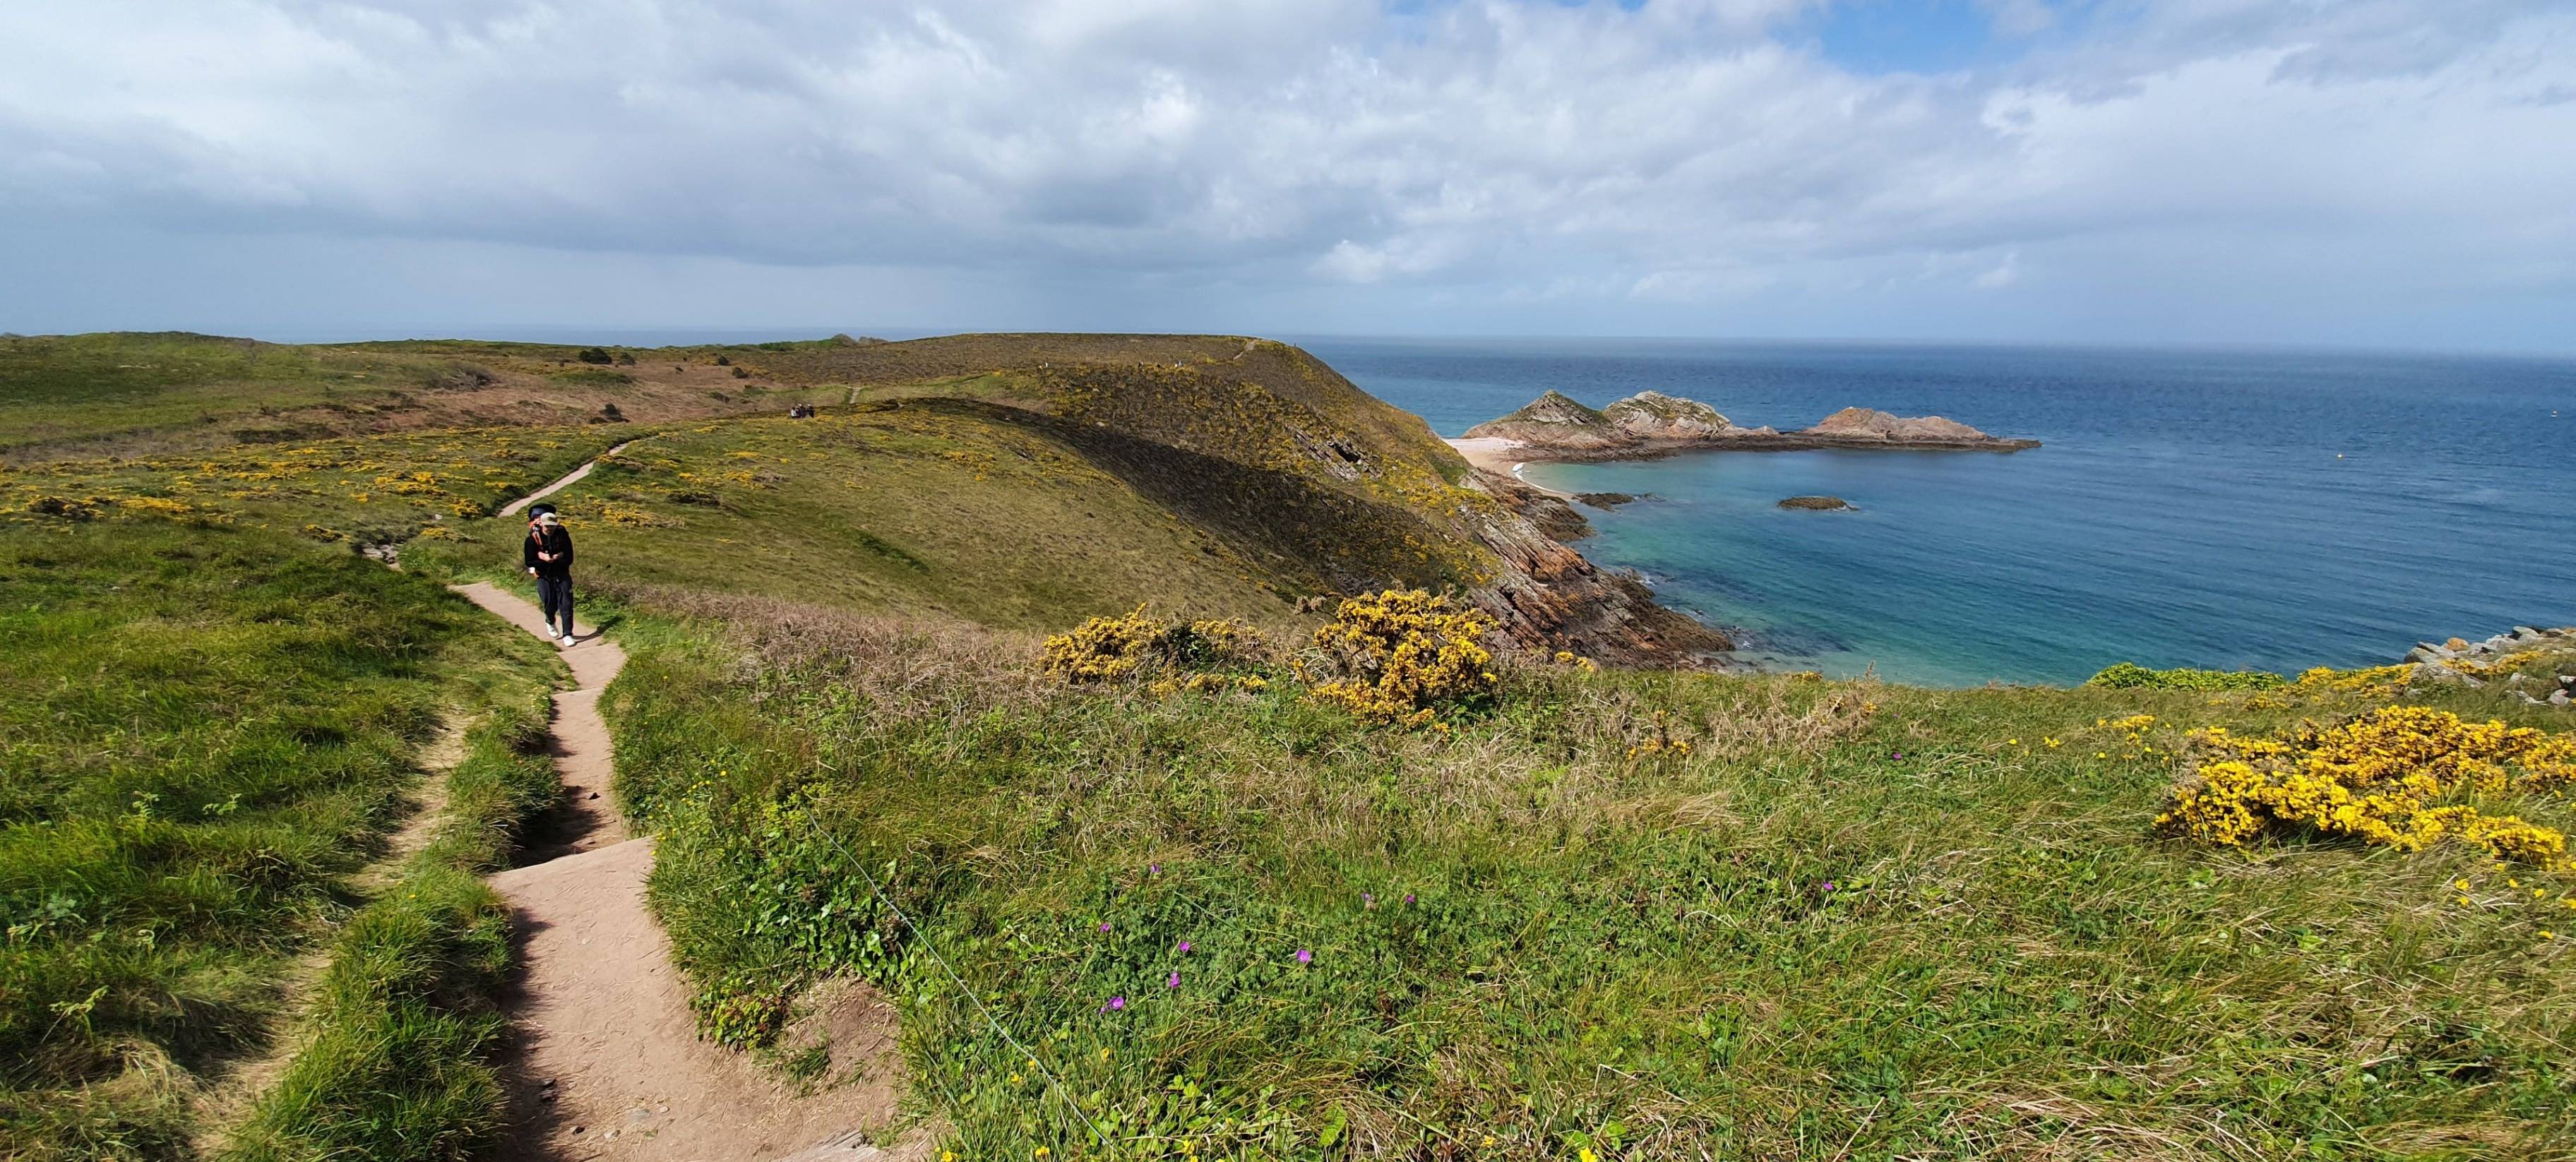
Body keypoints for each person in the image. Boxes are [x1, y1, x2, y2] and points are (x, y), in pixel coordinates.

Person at [522, 503, 577, 646]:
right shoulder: (532, 540)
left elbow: (570, 558)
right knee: (549, 603)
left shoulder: (563, 537)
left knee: (566, 602)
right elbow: (529, 562)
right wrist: (545, 561)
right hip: (544, 575)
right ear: (542, 525)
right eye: (547, 527)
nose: (550, 529)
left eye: (552, 526)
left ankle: (568, 634)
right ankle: (550, 620)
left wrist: (558, 560)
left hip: (562, 572)